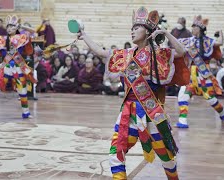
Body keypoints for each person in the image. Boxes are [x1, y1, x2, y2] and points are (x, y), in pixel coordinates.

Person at [77, 6, 189, 180]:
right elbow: (101, 52)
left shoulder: (159, 54)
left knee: (166, 156)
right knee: (115, 152)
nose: (132, 32)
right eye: (132, 28)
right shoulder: (125, 55)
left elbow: (181, 52)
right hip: (127, 113)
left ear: (148, 31)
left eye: (136, 28)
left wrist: (165, 33)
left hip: (152, 112)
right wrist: (84, 36)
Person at [176, 15, 224, 128]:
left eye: (194, 27)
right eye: (192, 27)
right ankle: (182, 120)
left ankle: (223, 113)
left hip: (203, 73)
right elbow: (175, 42)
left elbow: (220, 42)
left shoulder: (208, 41)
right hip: (191, 74)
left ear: (200, 29)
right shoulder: (189, 41)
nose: (192, 29)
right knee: (183, 95)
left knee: (210, 98)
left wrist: (220, 32)